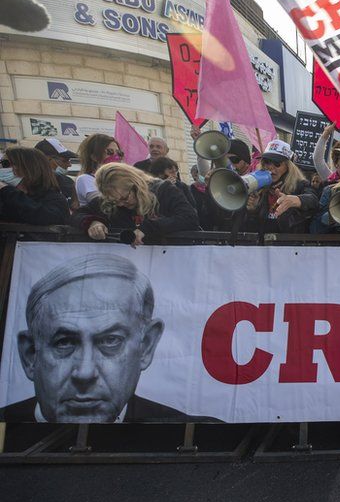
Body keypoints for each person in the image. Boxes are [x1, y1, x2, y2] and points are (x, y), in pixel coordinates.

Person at [1, 254, 213, 423]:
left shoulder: (196, 435)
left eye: (111, 341)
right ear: (30, 355)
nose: (85, 373)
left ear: (146, 346)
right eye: (64, 342)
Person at [72, 163, 200, 247]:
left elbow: (189, 218)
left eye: (125, 198)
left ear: (136, 185)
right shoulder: (109, 201)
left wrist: (147, 228)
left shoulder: (163, 190)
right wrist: (92, 222)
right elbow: (77, 214)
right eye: (115, 201)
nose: (121, 204)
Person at [241, 140, 319, 234]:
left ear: (288, 166)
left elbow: (313, 200)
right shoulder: (259, 188)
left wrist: (297, 200)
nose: (270, 167)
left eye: (276, 163)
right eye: (266, 162)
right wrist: (253, 211)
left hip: (291, 245)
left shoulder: (300, 185)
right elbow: (250, 229)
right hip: (264, 246)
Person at [0, 147, 70, 226]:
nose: (1, 167)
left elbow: (45, 217)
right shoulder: (4, 198)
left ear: (28, 168)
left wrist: (6, 190)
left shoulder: (54, 198)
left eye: (5, 163)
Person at [76, 133, 121, 207]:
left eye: (119, 153)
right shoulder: (85, 179)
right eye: (110, 152)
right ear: (94, 157)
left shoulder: (119, 179)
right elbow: (104, 205)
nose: (116, 157)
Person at [34, 137, 79, 210]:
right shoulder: (29, 185)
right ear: (46, 160)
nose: (69, 164)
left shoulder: (67, 181)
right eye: (65, 160)